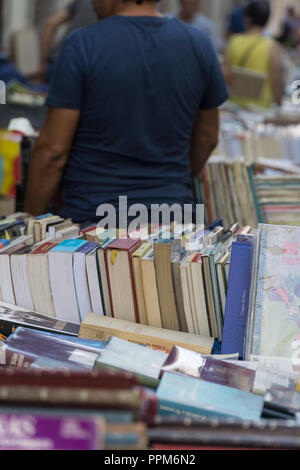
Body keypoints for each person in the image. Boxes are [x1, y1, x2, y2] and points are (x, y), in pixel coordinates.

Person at [24, 0, 228, 225]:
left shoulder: (82, 44)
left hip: (95, 222)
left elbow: (53, 151)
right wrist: (170, 183)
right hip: (173, 218)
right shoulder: (199, 44)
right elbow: (208, 136)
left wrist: (29, 224)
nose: (92, 4)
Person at [223, 0, 284, 109]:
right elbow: (276, 82)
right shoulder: (273, 47)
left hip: (234, 107)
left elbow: (223, 74)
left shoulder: (234, 41)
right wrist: (278, 103)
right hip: (261, 109)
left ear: (247, 18)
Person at [39, 0, 97, 82]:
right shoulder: (113, 11)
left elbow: (51, 23)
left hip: (56, 61)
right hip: (81, 69)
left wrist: (42, 62)